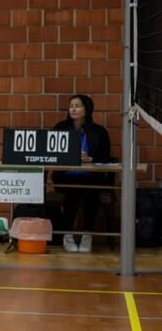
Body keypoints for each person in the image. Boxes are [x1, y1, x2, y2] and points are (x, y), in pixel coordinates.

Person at [52, 94, 112, 253]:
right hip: (66, 176)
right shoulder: (60, 128)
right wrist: (70, 157)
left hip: (91, 177)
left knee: (91, 194)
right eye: (71, 106)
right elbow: (51, 152)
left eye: (77, 106)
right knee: (72, 194)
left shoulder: (99, 131)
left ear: (87, 109)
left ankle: (87, 235)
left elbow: (106, 157)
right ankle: (68, 235)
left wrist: (91, 159)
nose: (73, 109)